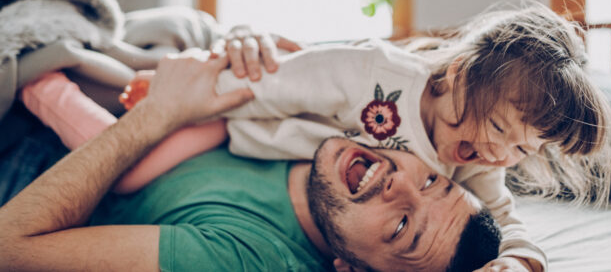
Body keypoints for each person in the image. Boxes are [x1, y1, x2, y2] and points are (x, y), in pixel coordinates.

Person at [20, 1, 611, 271]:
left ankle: (54, 94)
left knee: (128, 172)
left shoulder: (471, 162)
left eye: (522, 151)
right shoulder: (374, 77)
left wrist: (519, 262)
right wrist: (182, 93)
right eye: (497, 131)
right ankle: (55, 86)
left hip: (245, 143)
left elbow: (504, 217)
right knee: (133, 138)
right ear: (459, 77)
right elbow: (280, 81)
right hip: (234, 117)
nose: (498, 155)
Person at [0, 52, 502, 271]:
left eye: (399, 228)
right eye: (433, 181)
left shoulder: (246, 258)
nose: (402, 184)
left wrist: (160, 114)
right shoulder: (375, 126)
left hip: (26, 169)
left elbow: (9, 247)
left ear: (352, 270)